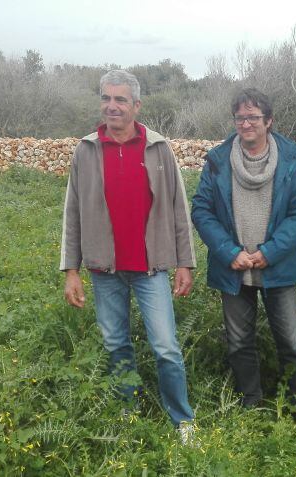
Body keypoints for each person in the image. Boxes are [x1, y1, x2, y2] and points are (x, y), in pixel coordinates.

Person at [60, 70, 196, 440]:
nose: (112, 106)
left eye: (120, 100)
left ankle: (182, 420)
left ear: (136, 105)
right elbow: (72, 212)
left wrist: (185, 262)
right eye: (106, 98)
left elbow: (178, 208)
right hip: (104, 269)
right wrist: (71, 269)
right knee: (115, 344)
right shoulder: (86, 149)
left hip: (150, 269)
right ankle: (128, 413)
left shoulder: (158, 148)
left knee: (166, 347)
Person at [191, 88, 296, 415]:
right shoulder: (218, 162)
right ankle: (251, 403)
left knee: (290, 343)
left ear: (269, 121)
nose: (246, 124)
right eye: (240, 117)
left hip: (277, 267)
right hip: (233, 268)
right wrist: (229, 251)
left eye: (254, 117)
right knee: (239, 343)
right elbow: (202, 210)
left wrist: (270, 252)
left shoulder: (289, 161)